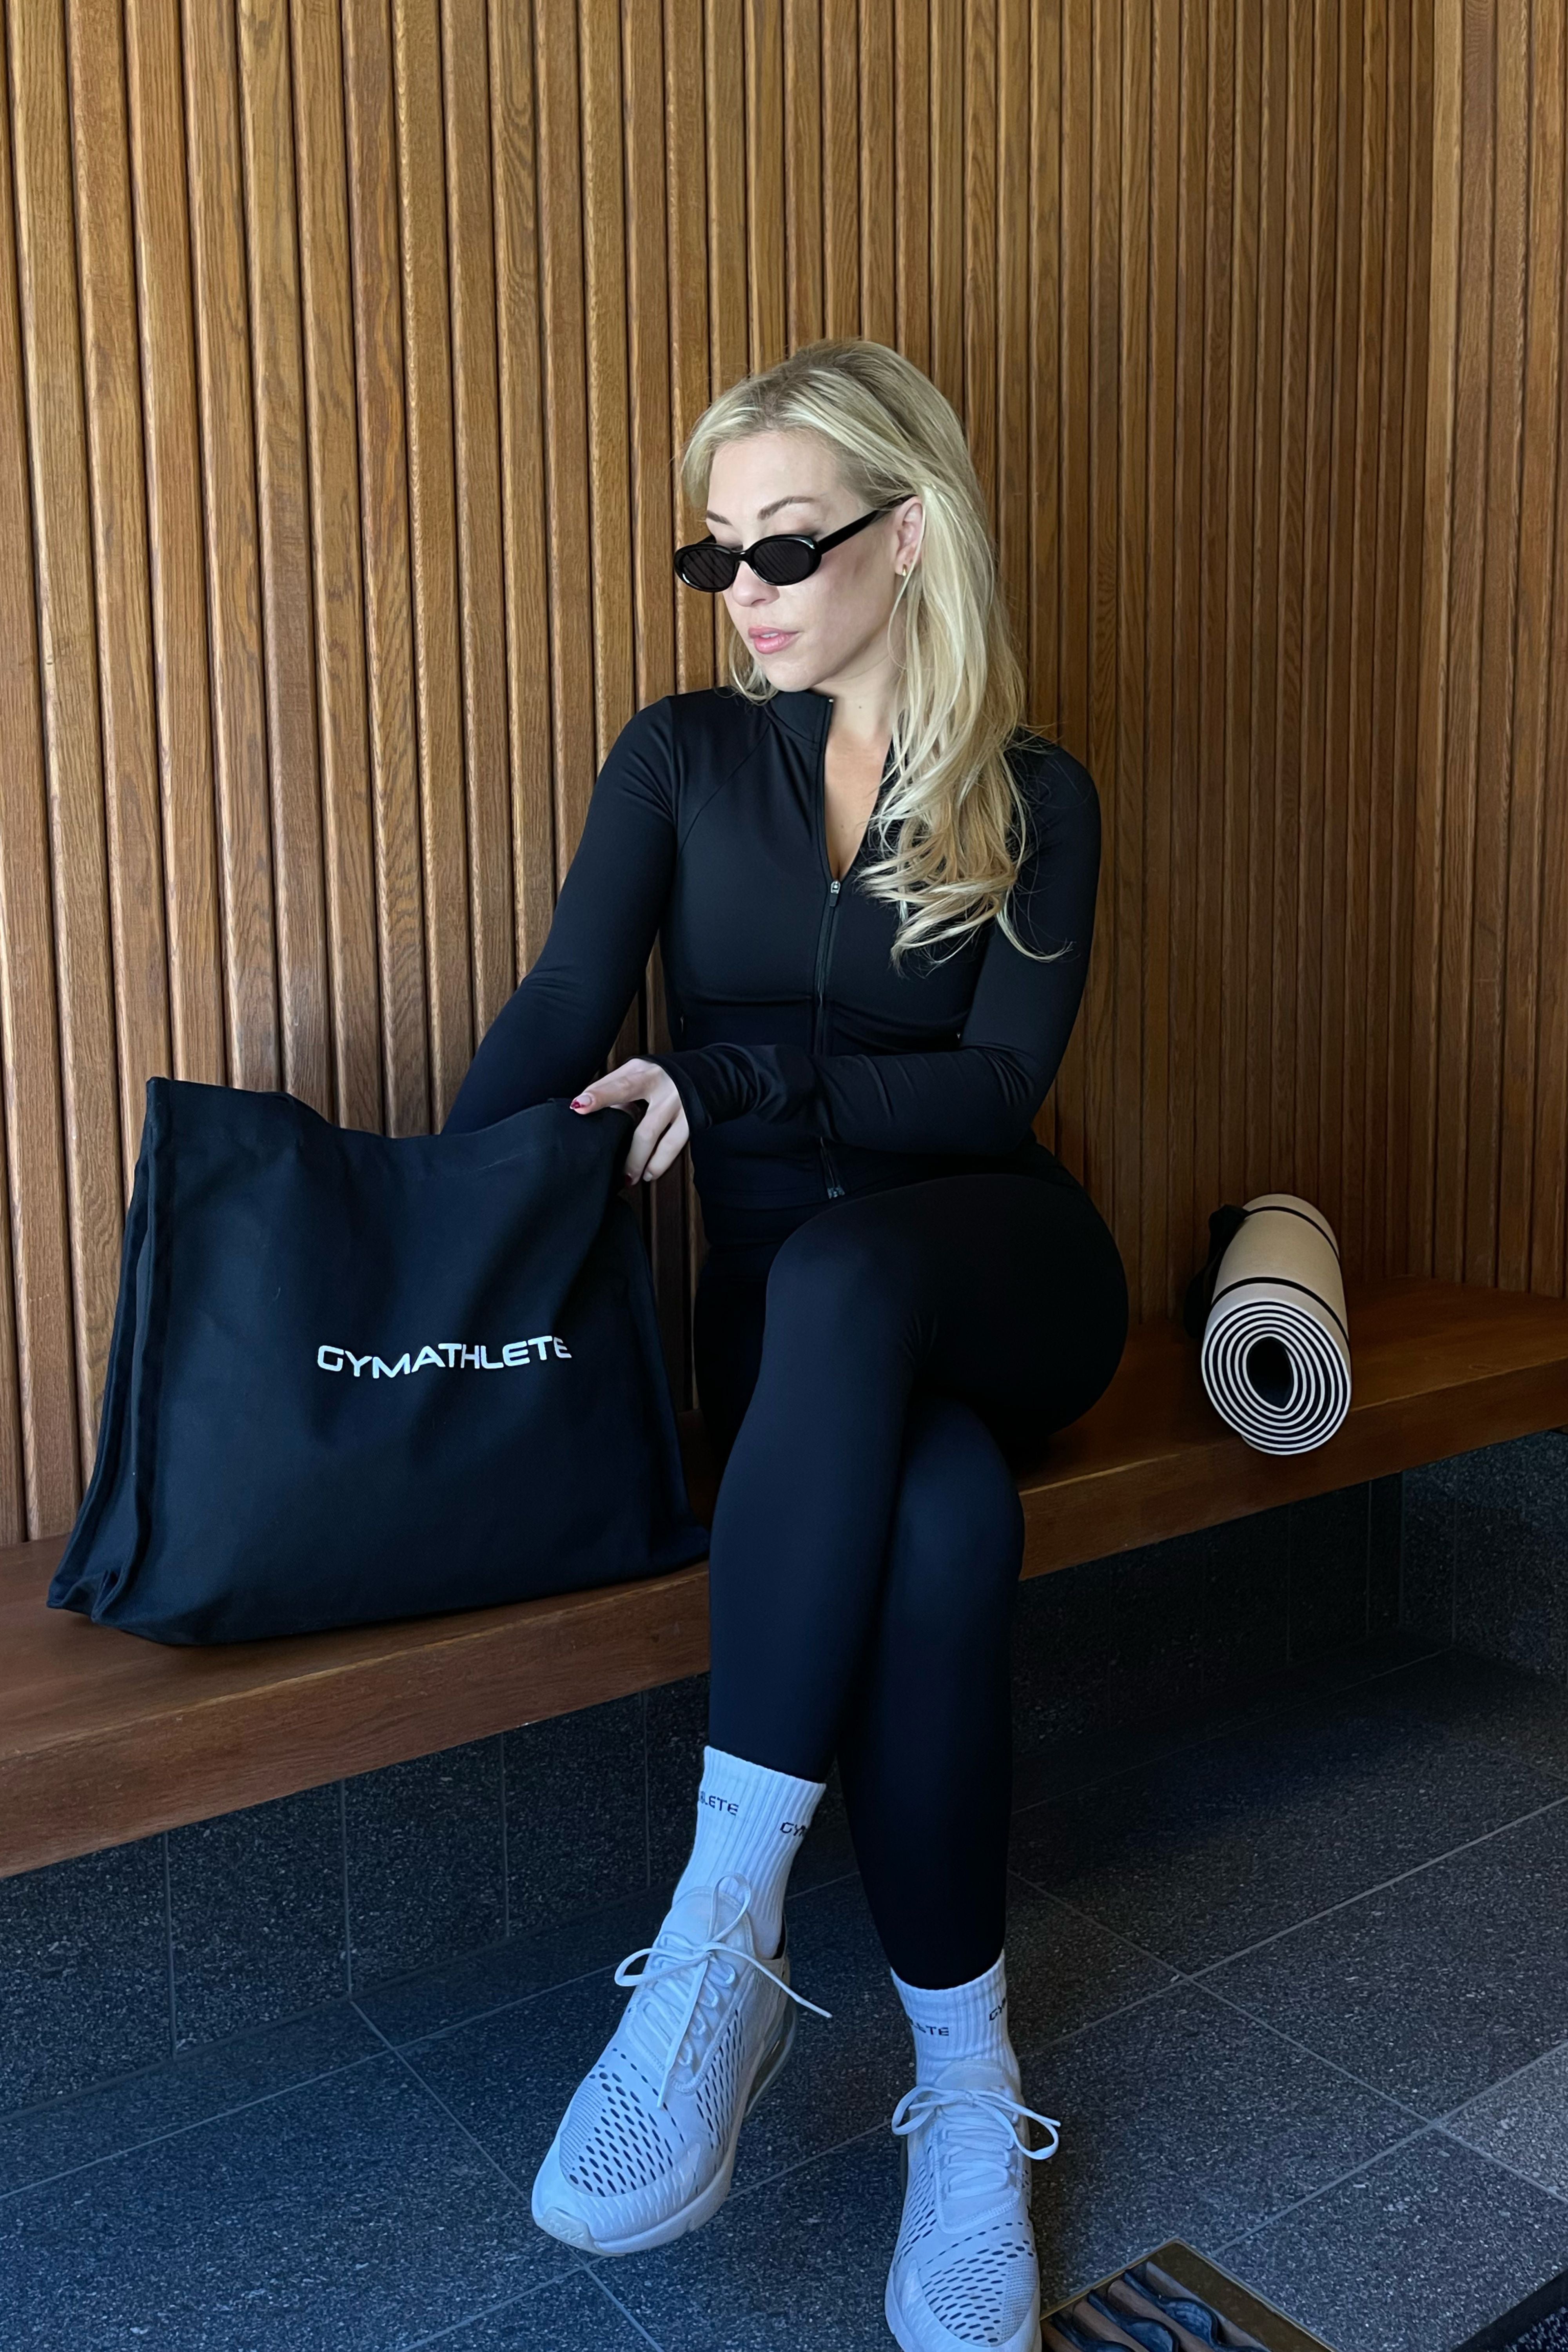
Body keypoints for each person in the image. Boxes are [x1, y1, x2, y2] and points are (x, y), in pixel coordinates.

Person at [443, 338, 1129, 2352]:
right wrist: (420, 1225)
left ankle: (717, 1938)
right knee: (933, 1532)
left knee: (851, 1287)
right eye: (715, 552)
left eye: (788, 543)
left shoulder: (1034, 795)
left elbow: (997, 1092)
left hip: (994, 1273)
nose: (742, 587)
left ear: (907, 539)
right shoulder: (677, 759)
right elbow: (571, 1001)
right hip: (797, 1339)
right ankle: (967, 2098)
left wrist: (733, 1087)